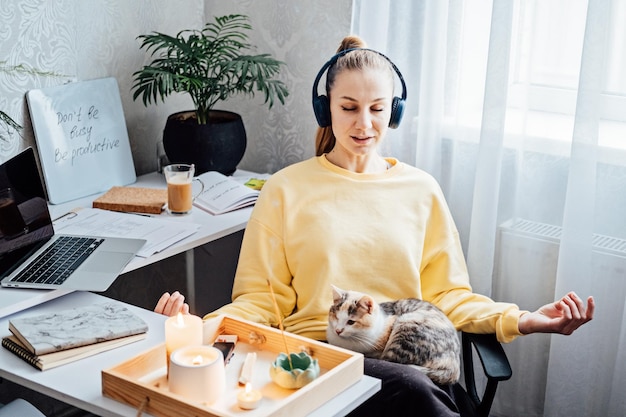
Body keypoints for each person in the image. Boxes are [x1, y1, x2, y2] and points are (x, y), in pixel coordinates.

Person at [155, 36, 594, 416]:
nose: (364, 124)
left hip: (405, 366)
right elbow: (259, 301)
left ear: (394, 112)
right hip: (315, 362)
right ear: (325, 108)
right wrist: (200, 326)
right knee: (413, 391)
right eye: (348, 108)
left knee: (413, 387)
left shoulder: (421, 189)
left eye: (377, 109)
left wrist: (523, 320)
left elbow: (448, 297)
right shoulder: (286, 189)